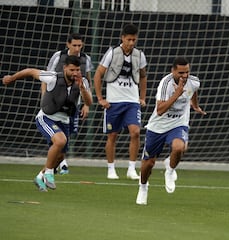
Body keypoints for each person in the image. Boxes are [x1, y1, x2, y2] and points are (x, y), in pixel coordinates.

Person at [2, 55, 93, 192]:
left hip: (64, 120)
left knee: (60, 156)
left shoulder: (82, 81)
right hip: (46, 118)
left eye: (77, 70)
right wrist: (12, 78)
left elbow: (89, 102)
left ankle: (40, 176)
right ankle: (49, 173)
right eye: (72, 70)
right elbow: (31, 71)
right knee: (60, 141)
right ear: (65, 68)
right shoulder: (53, 77)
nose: (75, 73)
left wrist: (83, 89)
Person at [136, 57, 206, 205]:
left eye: (187, 72)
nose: (184, 76)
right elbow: (160, 110)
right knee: (148, 164)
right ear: (173, 71)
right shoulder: (165, 84)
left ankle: (170, 169)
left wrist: (195, 105)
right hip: (158, 127)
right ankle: (143, 187)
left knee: (179, 147)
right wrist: (177, 93)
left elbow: (194, 91)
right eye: (181, 73)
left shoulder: (194, 81)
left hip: (178, 123)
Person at [94, 23, 147, 180]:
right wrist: (100, 98)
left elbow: (143, 76)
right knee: (112, 135)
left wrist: (142, 97)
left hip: (132, 101)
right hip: (114, 102)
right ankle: (111, 168)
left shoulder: (139, 55)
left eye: (134, 40)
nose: (131, 43)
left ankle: (131, 168)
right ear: (122, 38)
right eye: (129, 39)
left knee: (135, 132)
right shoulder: (112, 53)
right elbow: (98, 75)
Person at [44, 32, 94, 174]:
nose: (77, 48)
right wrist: (45, 96)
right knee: (56, 134)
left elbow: (87, 80)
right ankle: (58, 164)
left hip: (73, 103)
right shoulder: (58, 56)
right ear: (68, 44)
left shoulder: (86, 59)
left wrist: (86, 104)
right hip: (55, 102)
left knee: (67, 133)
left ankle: (58, 162)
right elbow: (46, 75)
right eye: (74, 45)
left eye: (80, 45)